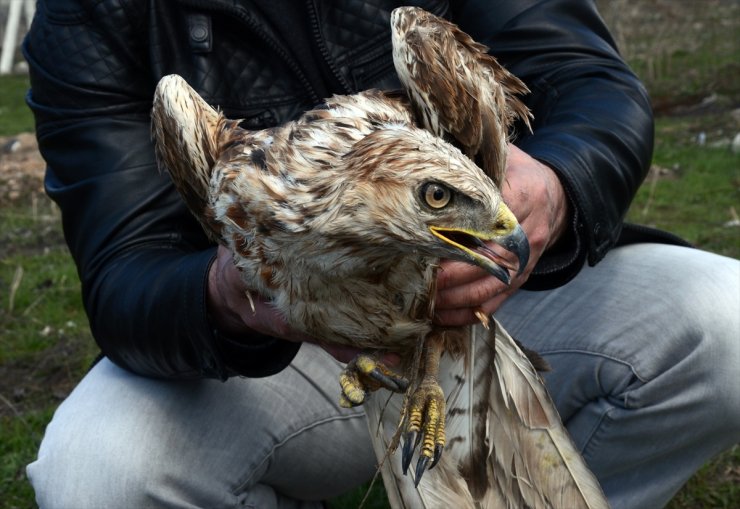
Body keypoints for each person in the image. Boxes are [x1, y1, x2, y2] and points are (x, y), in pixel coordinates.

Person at [22, 1, 739, 508]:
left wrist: (553, 184)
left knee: (726, 323)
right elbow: (124, 269)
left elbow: (592, 85)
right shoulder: (90, 14)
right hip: (283, 350)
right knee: (98, 473)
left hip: (496, 293)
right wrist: (237, 291)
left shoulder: (419, 46)